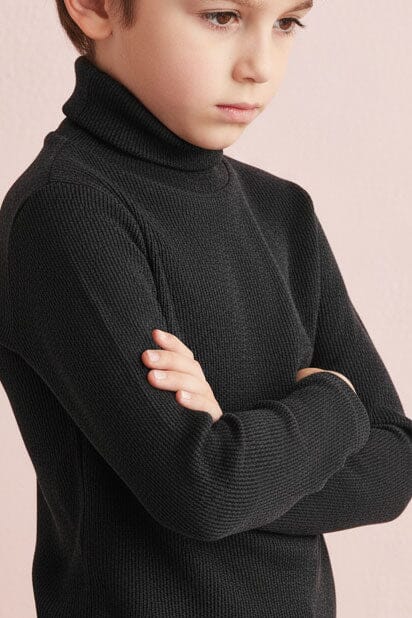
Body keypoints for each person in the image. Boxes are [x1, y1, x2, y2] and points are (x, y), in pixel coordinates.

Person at [0, 1, 411, 616]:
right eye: (222, 16)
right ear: (96, 6)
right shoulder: (67, 212)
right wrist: (334, 401)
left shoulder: (282, 212)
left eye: (287, 23)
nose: (260, 66)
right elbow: (204, 490)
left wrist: (240, 457)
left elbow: (396, 461)